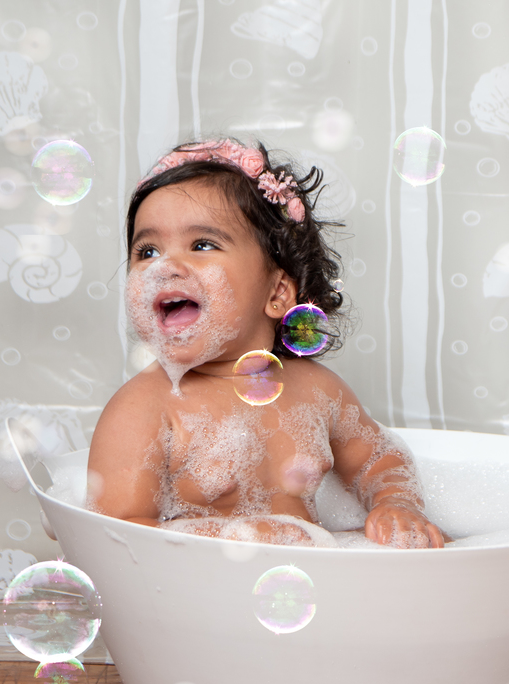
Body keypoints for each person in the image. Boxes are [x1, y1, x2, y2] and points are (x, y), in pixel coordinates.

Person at [86, 139, 444, 549]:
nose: (165, 267)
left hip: (319, 587)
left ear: (277, 293)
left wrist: (395, 503)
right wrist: (234, 536)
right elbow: (115, 535)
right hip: (200, 599)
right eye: (146, 251)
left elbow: (379, 460)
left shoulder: (316, 390)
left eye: (202, 244)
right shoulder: (144, 407)